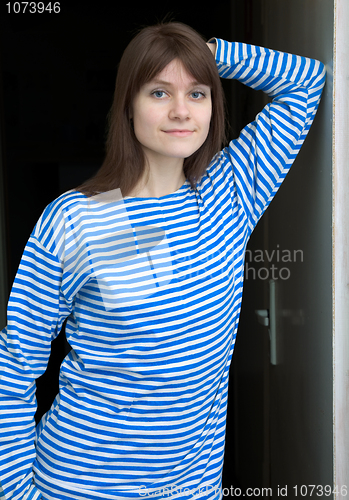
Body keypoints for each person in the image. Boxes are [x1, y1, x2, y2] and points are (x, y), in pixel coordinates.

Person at [0, 21, 325, 500]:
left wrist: (203, 54)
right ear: (127, 106)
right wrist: (13, 491)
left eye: (197, 95)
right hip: (80, 482)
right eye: (158, 92)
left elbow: (306, 81)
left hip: (192, 486)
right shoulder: (85, 218)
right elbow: (16, 363)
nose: (180, 111)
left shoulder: (229, 192)